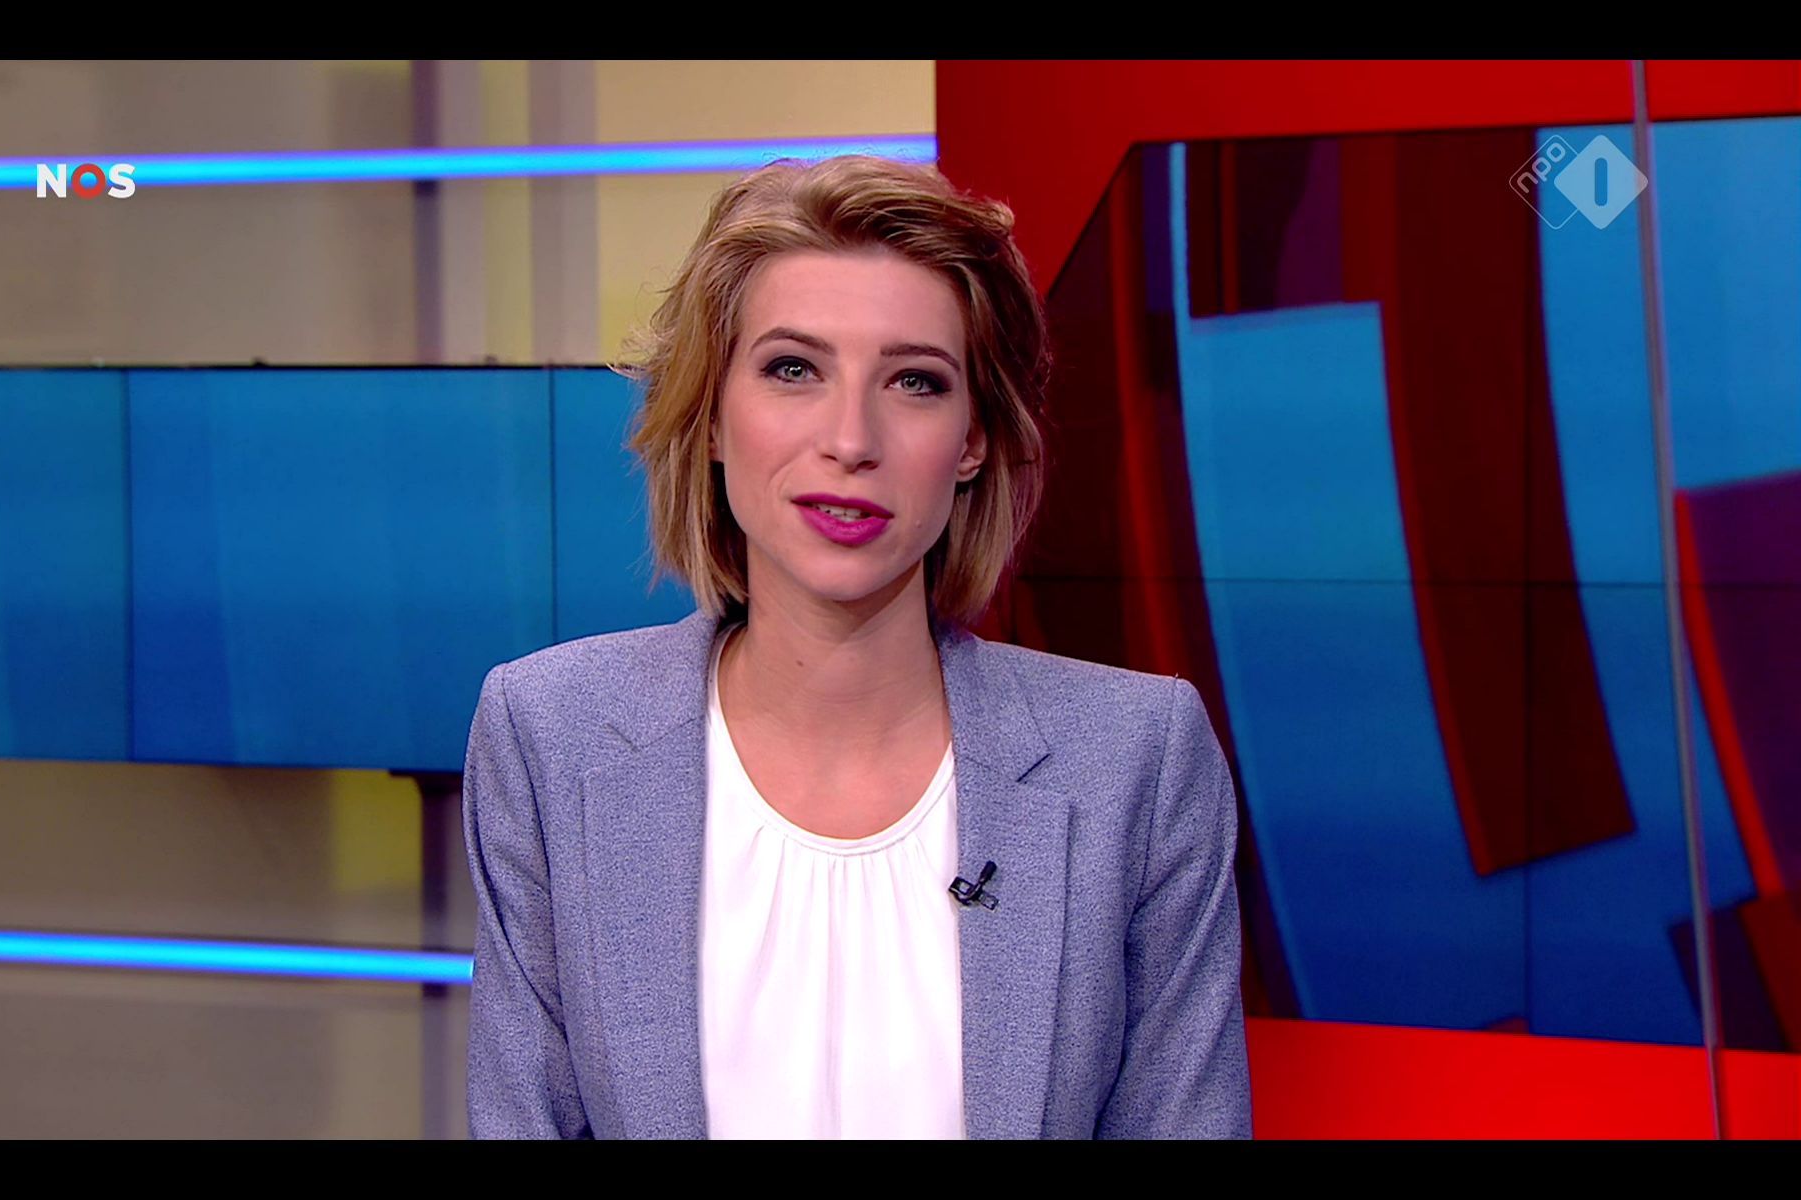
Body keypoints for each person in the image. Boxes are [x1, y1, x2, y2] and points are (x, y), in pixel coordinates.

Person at [462, 154, 1250, 1139]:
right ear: (712, 416)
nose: (850, 439)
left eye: (914, 382)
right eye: (793, 369)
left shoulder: (1137, 758)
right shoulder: (550, 734)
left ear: (972, 441)